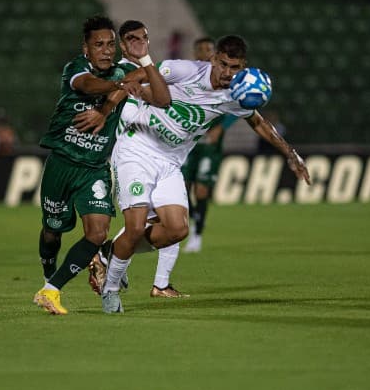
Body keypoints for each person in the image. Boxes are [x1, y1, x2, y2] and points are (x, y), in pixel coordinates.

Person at [76, 35, 310, 314]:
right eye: (222, 64)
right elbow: (135, 75)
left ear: (243, 67)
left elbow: (258, 123)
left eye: (234, 67)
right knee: (136, 226)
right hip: (136, 150)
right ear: (213, 58)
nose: (227, 72)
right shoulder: (185, 71)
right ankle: (110, 290)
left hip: (170, 162)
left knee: (177, 229)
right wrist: (108, 108)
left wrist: (290, 154)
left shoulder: (235, 96)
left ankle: (107, 254)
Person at [32, 16, 170, 315]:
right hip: (62, 163)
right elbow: (87, 85)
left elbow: (162, 98)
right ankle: (48, 274)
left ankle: (51, 290)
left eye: (110, 44)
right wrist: (120, 87)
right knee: (52, 231)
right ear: (86, 48)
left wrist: (144, 61)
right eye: (98, 45)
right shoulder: (76, 69)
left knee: (97, 233)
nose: (106, 51)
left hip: (94, 167)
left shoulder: (125, 70)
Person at [86, 20, 188, 298]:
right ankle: (118, 259)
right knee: (137, 226)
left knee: (173, 225)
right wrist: (105, 111)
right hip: (134, 157)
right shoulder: (124, 71)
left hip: (163, 155)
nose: (136, 42)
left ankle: (148, 275)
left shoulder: (155, 70)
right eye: (130, 38)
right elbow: (126, 89)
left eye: (141, 37)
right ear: (122, 43)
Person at [181, 37, 237, 253]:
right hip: (188, 144)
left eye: (209, 50)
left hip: (209, 146)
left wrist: (221, 128)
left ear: (215, 55)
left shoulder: (225, 81)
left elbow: (237, 107)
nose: (205, 53)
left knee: (202, 190)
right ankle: (193, 217)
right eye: (201, 49)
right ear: (195, 53)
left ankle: (197, 233)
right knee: (183, 188)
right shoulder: (191, 76)